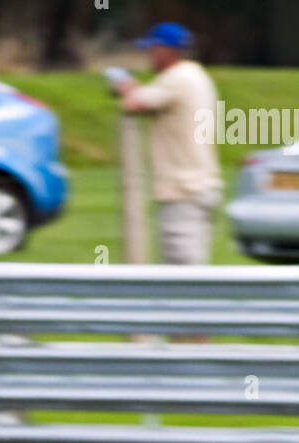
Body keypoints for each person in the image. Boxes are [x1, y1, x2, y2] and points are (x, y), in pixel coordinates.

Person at [114, 22, 222, 265]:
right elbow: (153, 99)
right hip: (197, 187)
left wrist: (124, 87)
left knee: (183, 281)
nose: (149, 55)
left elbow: (134, 103)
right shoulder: (196, 76)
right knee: (186, 277)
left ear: (166, 50)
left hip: (183, 191)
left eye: (152, 48)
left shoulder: (176, 78)